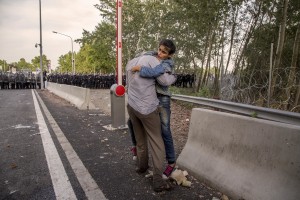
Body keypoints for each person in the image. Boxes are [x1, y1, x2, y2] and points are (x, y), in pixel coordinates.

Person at [126, 50, 176, 192]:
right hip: (147, 108)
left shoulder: (131, 61)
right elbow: (164, 81)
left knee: (140, 139)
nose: (160, 55)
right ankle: (158, 181)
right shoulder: (153, 61)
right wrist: (174, 77)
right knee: (157, 142)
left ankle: (142, 167)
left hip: (132, 106)